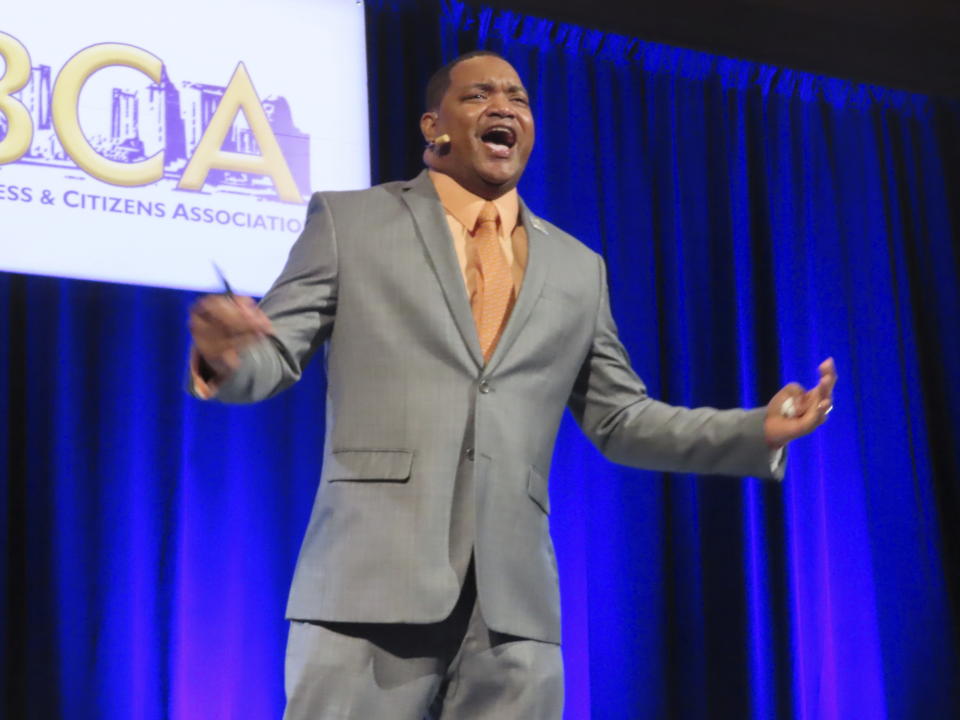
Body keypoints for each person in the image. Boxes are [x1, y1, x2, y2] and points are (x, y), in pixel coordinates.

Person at [187, 50, 837, 720]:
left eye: (519, 98)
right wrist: (227, 359)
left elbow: (621, 420)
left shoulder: (577, 268)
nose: (504, 107)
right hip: (367, 587)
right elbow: (275, 357)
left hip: (514, 613)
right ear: (433, 125)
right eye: (479, 96)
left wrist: (756, 429)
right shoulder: (350, 223)